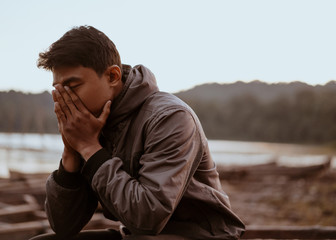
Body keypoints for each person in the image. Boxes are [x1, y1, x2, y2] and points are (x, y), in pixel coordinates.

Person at [30, 25, 245, 240]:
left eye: (73, 87)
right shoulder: (93, 124)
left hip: (202, 235)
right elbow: (64, 226)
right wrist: (71, 151)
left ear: (113, 76)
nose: (64, 100)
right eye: (59, 90)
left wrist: (89, 147)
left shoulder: (170, 117)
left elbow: (149, 216)